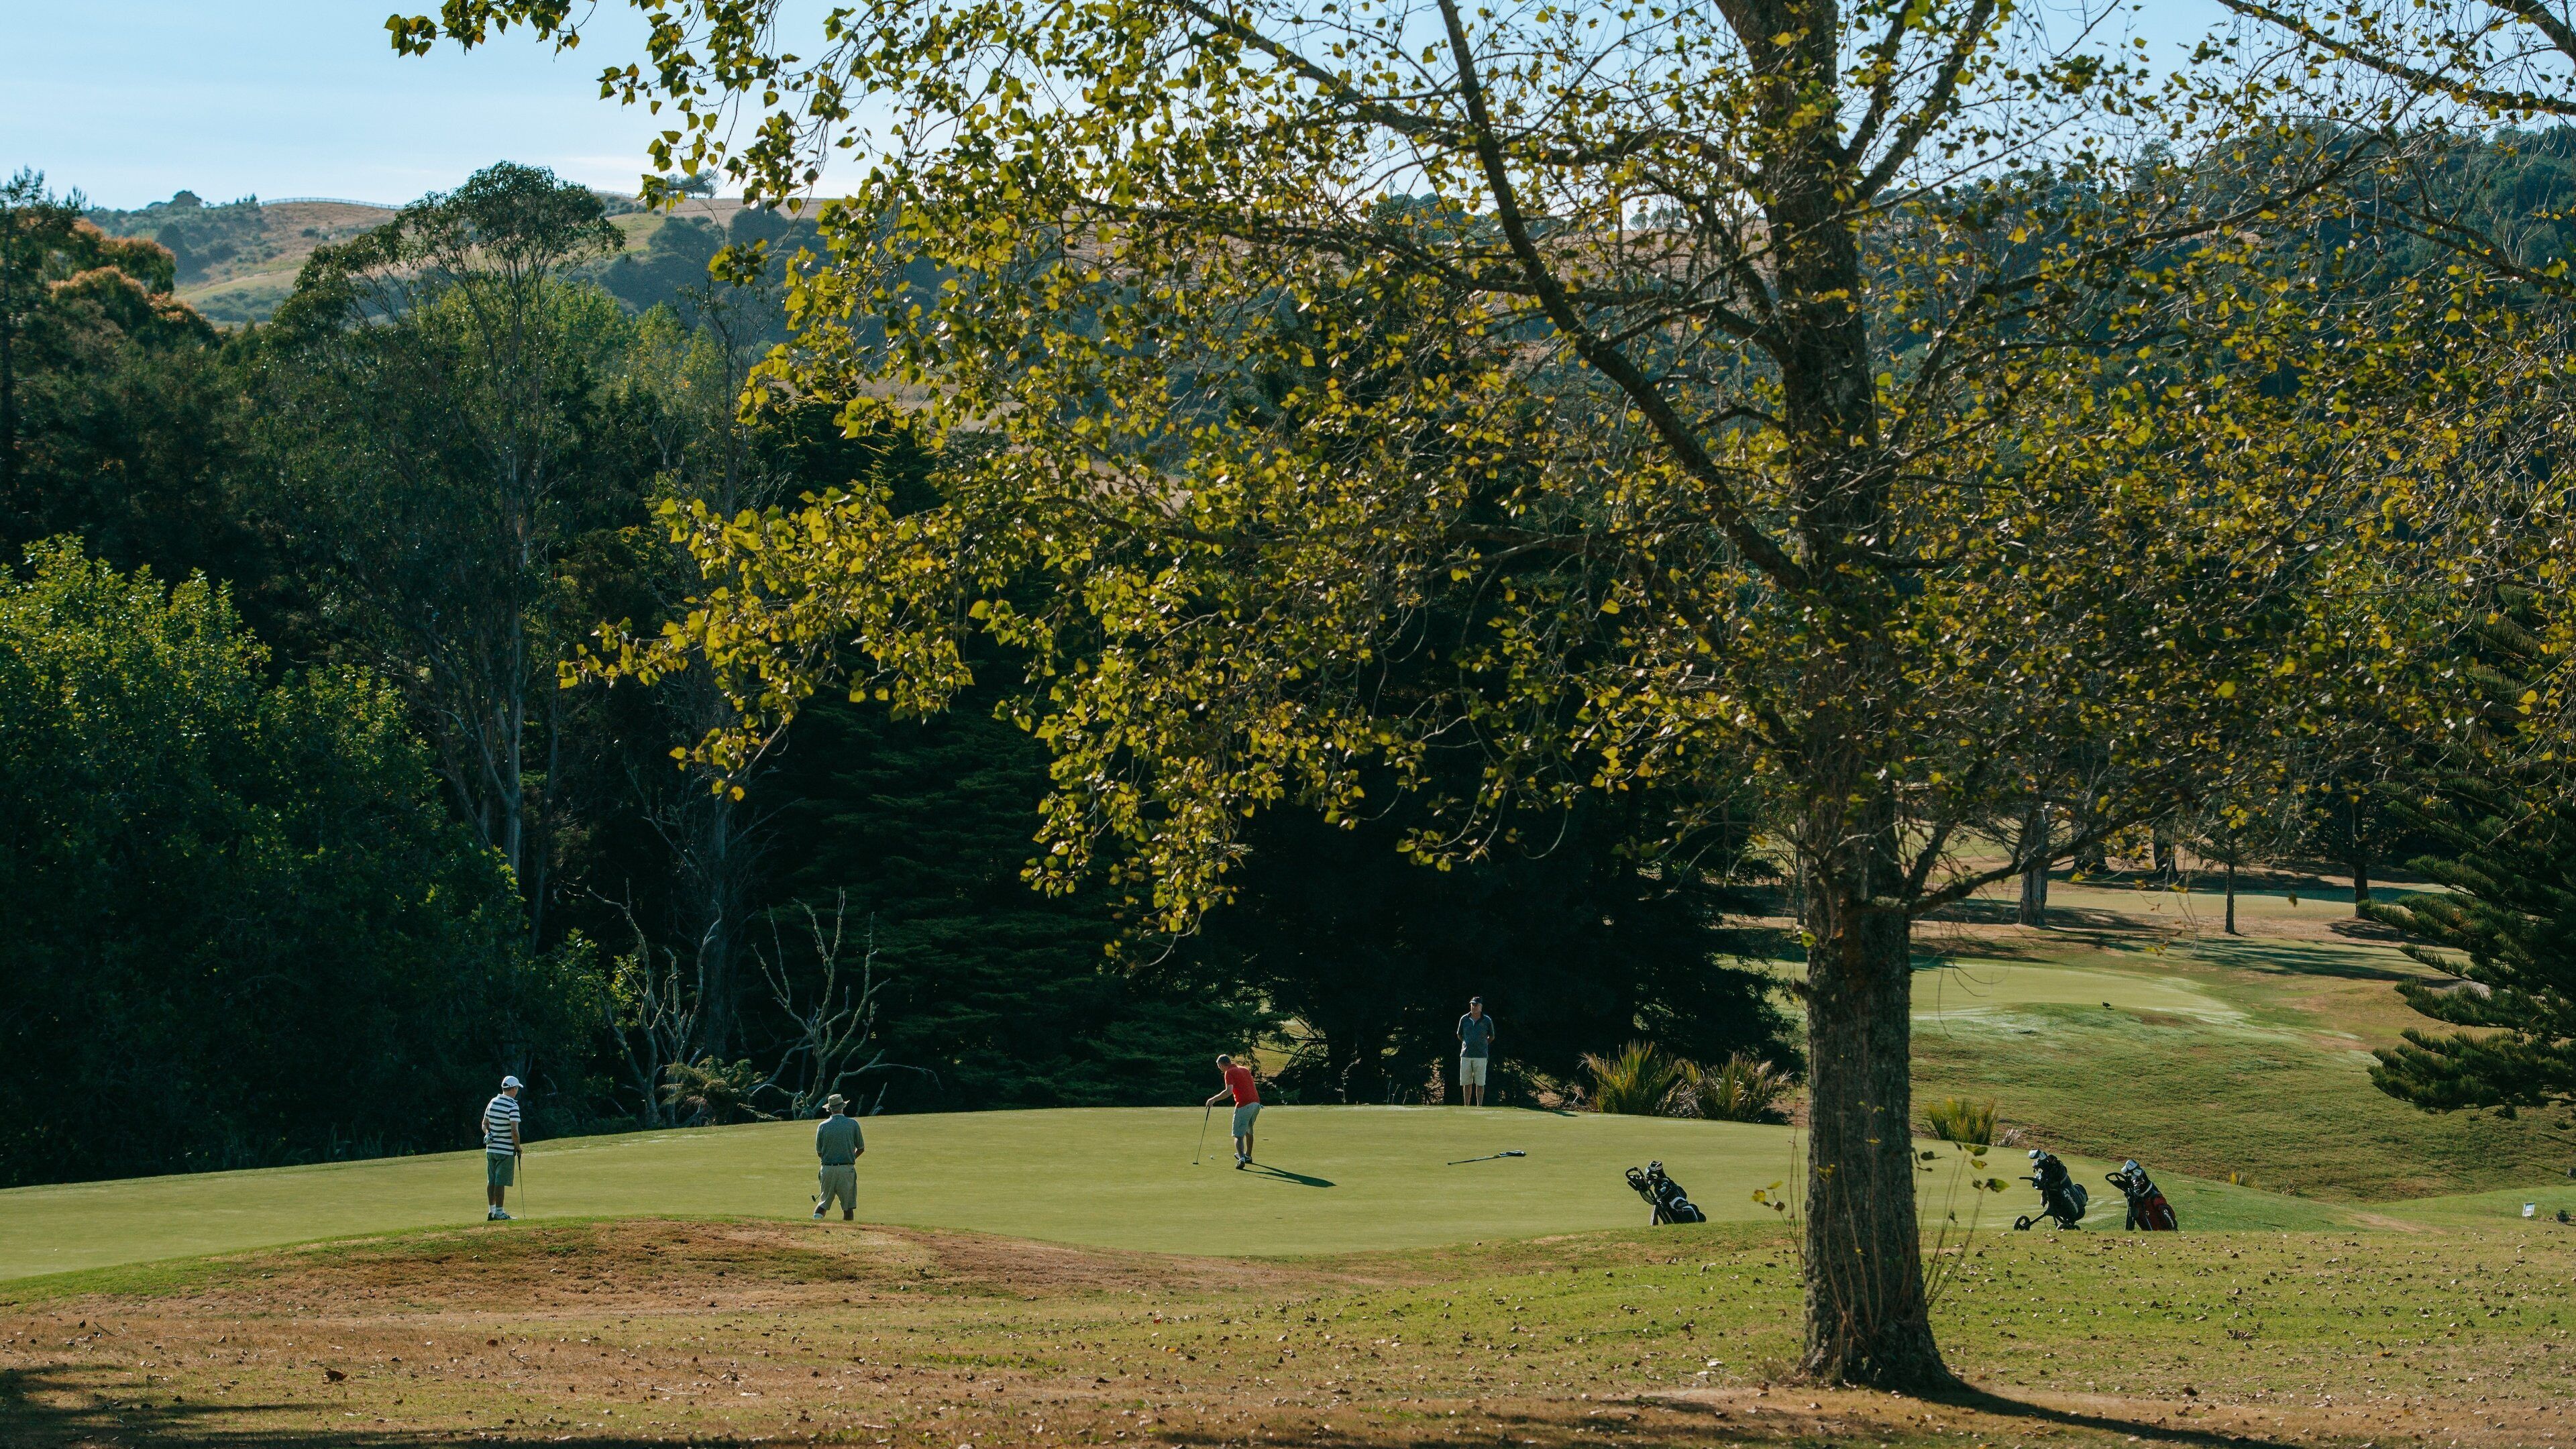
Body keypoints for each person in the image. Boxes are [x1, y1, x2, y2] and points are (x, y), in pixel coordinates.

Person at [812, 1093, 866, 1221]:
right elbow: (861, 1148)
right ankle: (846, 1237)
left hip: (827, 1169)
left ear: (830, 1109)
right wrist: (851, 1157)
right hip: (847, 1169)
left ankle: (814, 1229)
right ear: (843, 1107)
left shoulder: (823, 1126)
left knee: (823, 1204)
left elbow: (819, 1152)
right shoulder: (853, 1124)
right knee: (848, 1208)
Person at [1205, 1053, 1260, 1167]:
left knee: (1238, 1135)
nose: (1219, 1069)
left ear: (1221, 1065)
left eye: (1219, 1066)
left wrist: (1213, 1099)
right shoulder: (1244, 1069)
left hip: (1244, 1105)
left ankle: (1242, 1159)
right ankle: (1248, 1156)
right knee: (1248, 1131)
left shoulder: (1229, 1072)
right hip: (1256, 1104)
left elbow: (1228, 1091)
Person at [482, 1075, 523, 1221]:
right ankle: (499, 1212)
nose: (517, 1091)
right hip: (505, 1150)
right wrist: (518, 1147)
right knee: (500, 1182)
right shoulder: (513, 1106)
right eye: (517, 1088)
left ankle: (492, 1211)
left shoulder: (492, 1102)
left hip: (491, 1149)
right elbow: (514, 1131)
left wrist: (488, 1134)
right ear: (513, 1089)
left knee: (491, 1181)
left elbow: (484, 1124)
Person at [1456, 996, 1497, 1106]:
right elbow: (1459, 1035)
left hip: (1481, 1056)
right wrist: (1467, 1043)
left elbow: (1492, 1036)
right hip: (1466, 1055)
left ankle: (1480, 1106)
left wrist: (1483, 1044)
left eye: (1476, 1005)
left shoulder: (1487, 1020)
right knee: (1466, 1082)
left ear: (1481, 1007)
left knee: (1480, 1083)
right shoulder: (1464, 1019)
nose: (1474, 1007)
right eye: (1472, 1005)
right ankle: (1466, 1105)